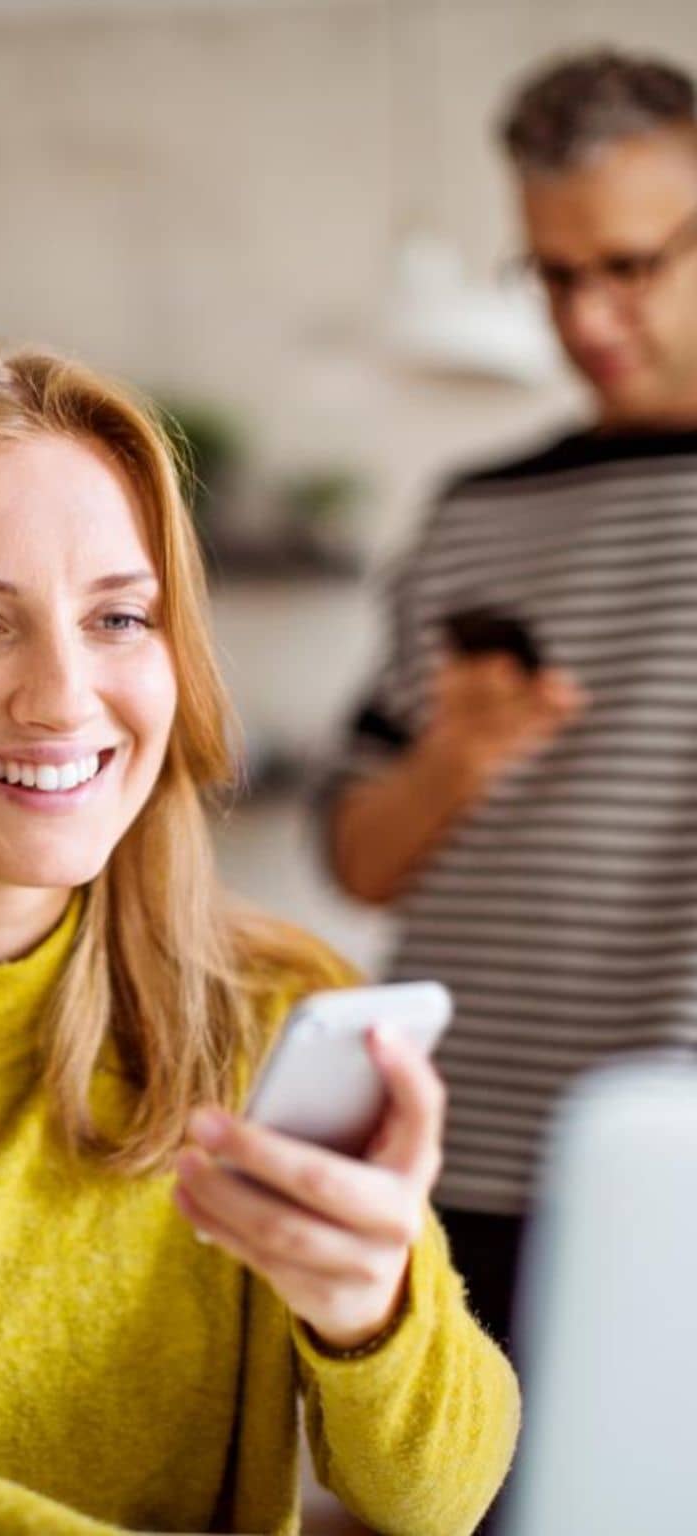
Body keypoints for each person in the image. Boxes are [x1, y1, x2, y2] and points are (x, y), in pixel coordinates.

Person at [0, 337, 518, 1535]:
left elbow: (437, 1499)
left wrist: (374, 1307)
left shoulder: (271, 1007)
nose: (65, 696)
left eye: (121, 617)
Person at [324, 49, 697, 1372]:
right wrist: (455, 763)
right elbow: (357, 857)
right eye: (553, 272)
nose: (588, 317)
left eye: (631, 265)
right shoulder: (473, 516)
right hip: (453, 1153)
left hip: (673, 1172)